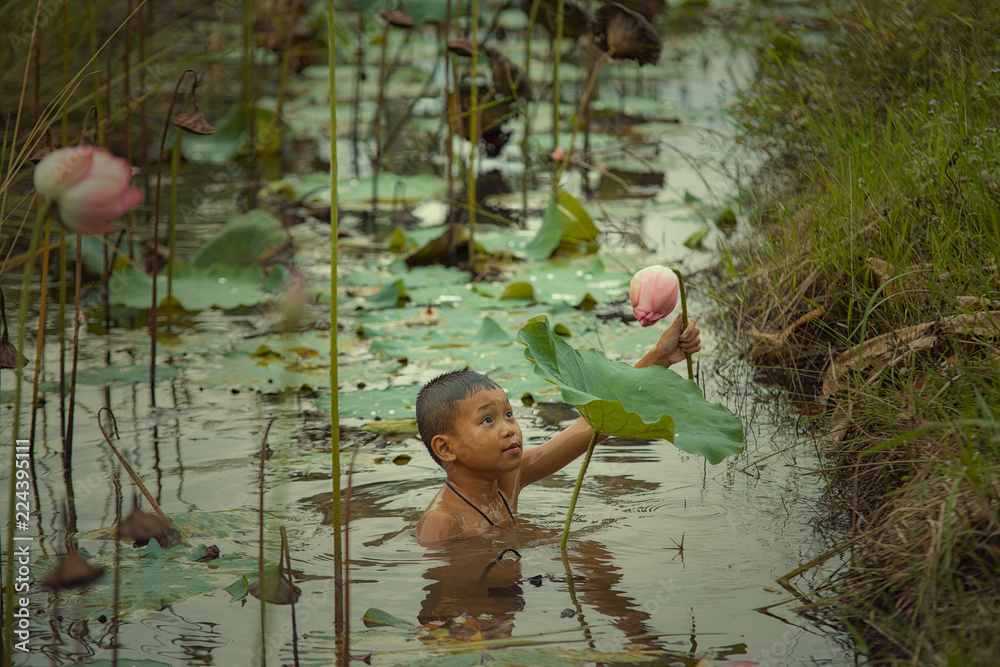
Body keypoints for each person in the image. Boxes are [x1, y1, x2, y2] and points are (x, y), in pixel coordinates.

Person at [415, 313, 701, 543]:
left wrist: (661, 357)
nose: (509, 429)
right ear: (446, 448)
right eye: (488, 420)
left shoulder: (508, 479)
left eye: (509, 414)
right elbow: (448, 588)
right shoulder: (443, 522)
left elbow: (593, 427)